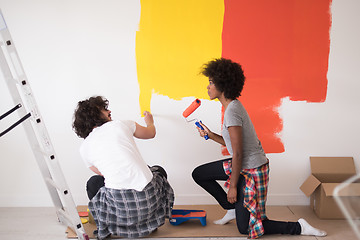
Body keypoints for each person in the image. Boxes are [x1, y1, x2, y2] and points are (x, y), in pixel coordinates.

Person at [192, 58, 327, 239]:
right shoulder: (232, 107)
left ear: (222, 85)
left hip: (253, 170)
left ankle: (299, 227)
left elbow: (238, 153)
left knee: (247, 228)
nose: (207, 87)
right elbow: (234, 145)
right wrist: (210, 135)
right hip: (241, 164)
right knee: (200, 174)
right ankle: (232, 209)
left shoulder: (232, 111)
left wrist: (232, 187)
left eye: (210, 82)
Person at [72, 96, 174, 239]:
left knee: (94, 183)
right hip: (148, 204)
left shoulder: (84, 148)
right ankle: (151, 222)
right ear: (94, 114)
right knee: (158, 170)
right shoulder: (121, 124)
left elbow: (102, 174)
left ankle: (107, 226)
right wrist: (150, 122)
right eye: (105, 109)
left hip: (121, 210)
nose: (109, 111)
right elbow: (151, 133)